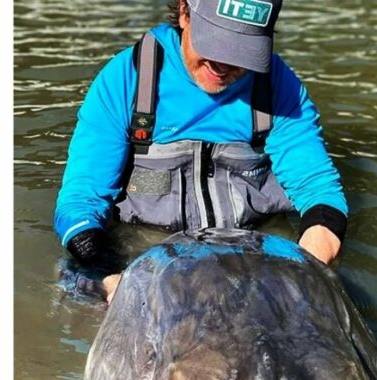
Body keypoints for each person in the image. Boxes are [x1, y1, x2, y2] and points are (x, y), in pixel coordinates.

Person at [54, 0, 347, 300]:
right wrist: (114, 280)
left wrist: (299, 281)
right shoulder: (125, 79)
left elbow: (319, 194)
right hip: (145, 256)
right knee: (74, 286)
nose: (222, 65)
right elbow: (81, 202)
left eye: (240, 49)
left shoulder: (278, 86)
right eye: (215, 43)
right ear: (184, 12)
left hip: (250, 258)